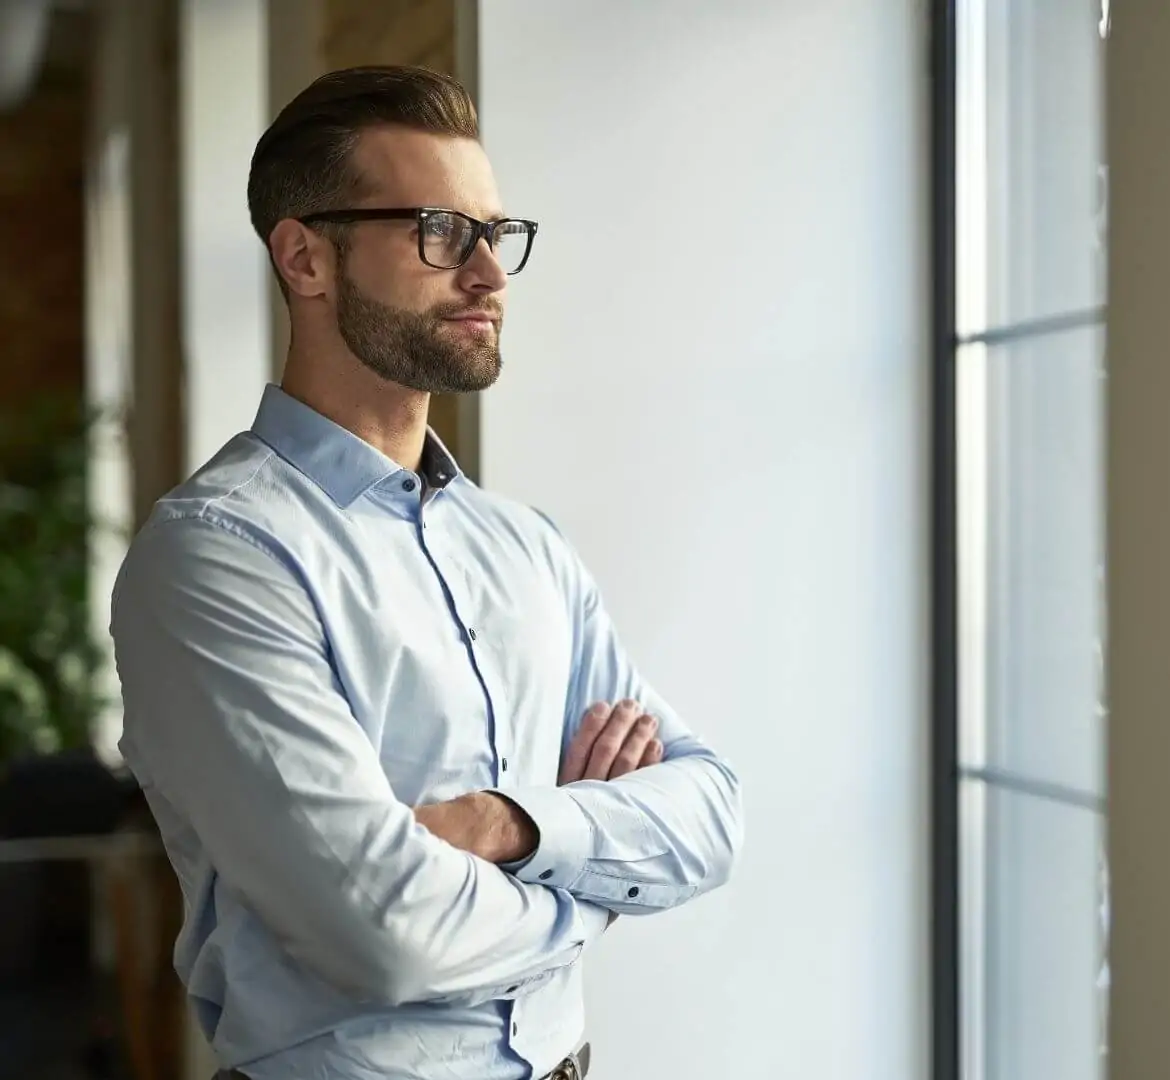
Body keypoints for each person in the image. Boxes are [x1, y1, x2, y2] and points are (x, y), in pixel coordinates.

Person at [109, 65, 743, 1080]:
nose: (489, 275)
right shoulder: (216, 559)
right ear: (306, 258)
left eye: (496, 234)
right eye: (441, 232)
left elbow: (708, 815)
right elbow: (385, 933)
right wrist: (598, 879)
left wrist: (511, 823)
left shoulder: (525, 545)